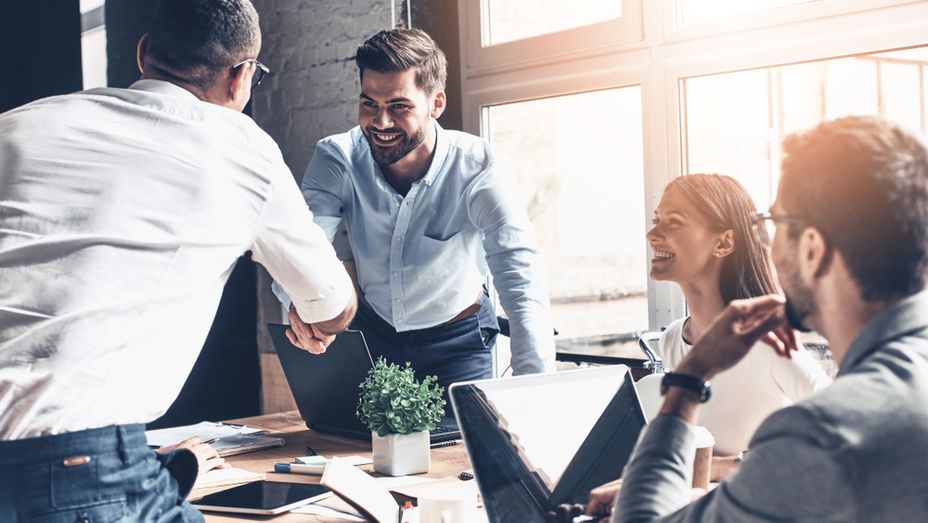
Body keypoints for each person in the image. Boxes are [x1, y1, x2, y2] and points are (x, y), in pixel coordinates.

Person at [0, 0, 356, 520]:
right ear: (241, 77)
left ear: (143, 52)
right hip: (77, 471)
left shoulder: (17, 126)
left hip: (79, 461)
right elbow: (333, 307)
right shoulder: (239, 147)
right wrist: (314, 312)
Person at [595, 116, 928, 522]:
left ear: (812, 249)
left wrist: (688, 381)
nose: (764, 243)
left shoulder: (824, 434)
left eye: (774, 224)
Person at [274, 28, 555, 395]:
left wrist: (535, 389)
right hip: (372, 334)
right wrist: (302, 306)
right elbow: (300, 246)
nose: (380, 123)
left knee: (461, 435)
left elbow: (521, 278)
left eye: (399, 106)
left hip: (457, 342)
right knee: (345, 433)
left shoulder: (480, 169)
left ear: (436, 104)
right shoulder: (338, 157)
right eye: (369, 104)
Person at [648, 175, 831, 461]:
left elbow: (842, 429)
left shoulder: (766, 344)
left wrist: (726, 466)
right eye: (656, 220)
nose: (652, 234)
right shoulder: (672, 339)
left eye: (674, 222)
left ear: (724, 243)